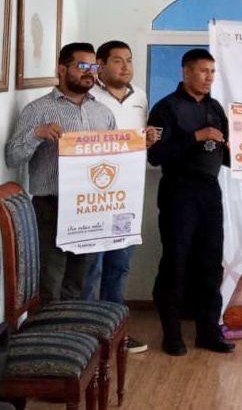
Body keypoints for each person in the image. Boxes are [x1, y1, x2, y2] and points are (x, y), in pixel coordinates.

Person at [5, 42, 116, 302]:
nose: (90, 72)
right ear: (62, 69)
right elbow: (12, 157)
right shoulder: (38, 110)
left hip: (90, 206)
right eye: (82, 66)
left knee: (82, 280)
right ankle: (49, 328)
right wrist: (37, 134)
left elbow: (113, 160)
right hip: (50, 206)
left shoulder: (103, 113)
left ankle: (75, 327)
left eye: (94, 67)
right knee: (50, 281)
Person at [148, 48, 233, 356]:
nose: (209, 77)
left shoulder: (216, 107)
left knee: (210, 264)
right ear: (186, 72)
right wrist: (196, 136)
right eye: (203, 71)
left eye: (212, 71)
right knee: (176, 262)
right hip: (178, 191)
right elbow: (156, 155)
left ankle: (208, 332)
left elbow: (226, 155)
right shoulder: (166, 108)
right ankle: (172, 334)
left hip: (210, 191)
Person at [81, 40, 159, 354]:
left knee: (120, 265)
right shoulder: (88, 96)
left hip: (128, 194)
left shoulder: (139, 96)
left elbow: (139, 140)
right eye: (117, 61)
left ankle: (116, 333)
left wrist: (149, 138)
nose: (126, 66)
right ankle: (87, 338)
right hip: (93, 195)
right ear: (100, 65)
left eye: (129, 60)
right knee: (91, 267)